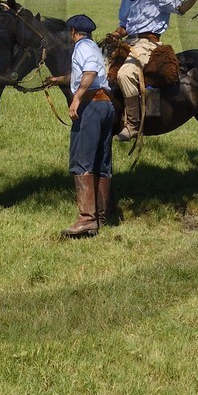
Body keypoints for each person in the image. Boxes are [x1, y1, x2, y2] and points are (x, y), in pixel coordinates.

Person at [108, 0, 198, 141]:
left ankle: (133, 125)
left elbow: (179, 7)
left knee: (125, 74)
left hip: (147, 43)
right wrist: (115, 35)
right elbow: (124, 25)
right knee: (102, 68)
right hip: (130, 41)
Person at [49, 14, 117, 238]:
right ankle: (100, 216)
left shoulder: (81, 48)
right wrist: (58, 80)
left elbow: (89, 73)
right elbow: (83, 74)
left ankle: (87, 219)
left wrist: (76, 98)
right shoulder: (93, 48)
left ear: (73, 32)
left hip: (91, 106)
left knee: (81, 158)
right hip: (105, 105)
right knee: (101, 160)